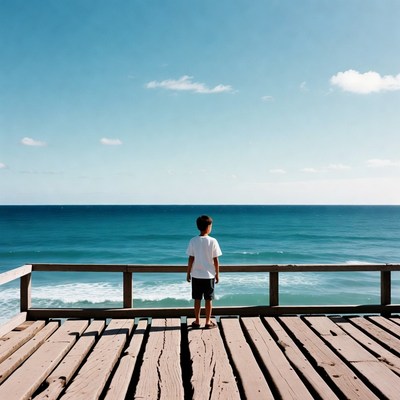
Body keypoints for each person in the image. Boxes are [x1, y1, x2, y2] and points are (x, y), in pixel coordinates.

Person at [186, 215, 222, 329]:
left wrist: (188, 273)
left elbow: (191, 258)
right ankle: (207, 321)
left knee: (197, 299)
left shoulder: (193, 240)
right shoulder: (213, 241)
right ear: (208, 227)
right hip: (209, 275)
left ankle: (197, 321)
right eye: (211, 225)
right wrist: (217, 274)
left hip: (196, 275)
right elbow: (216, 259)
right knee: (208, 299)